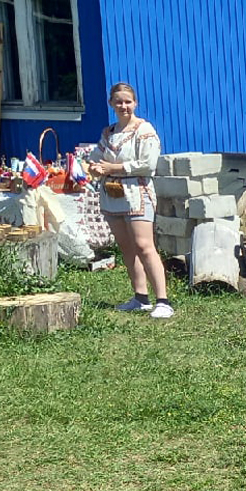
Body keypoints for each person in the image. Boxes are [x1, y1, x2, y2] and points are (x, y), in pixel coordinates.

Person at [87, 83, 173, 318]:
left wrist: (112, 167)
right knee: (127, 247)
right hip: (113, 194)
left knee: (144, 246)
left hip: (137, 192)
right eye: (118, 102)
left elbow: (148, 164)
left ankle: (163, 300)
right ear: (111, 104)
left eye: (127, 101)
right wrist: (95, 167)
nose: (123, 106)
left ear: (135, 103)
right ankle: (140, 296)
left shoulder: (143, 130)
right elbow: (96, 157)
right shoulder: (109, 133)